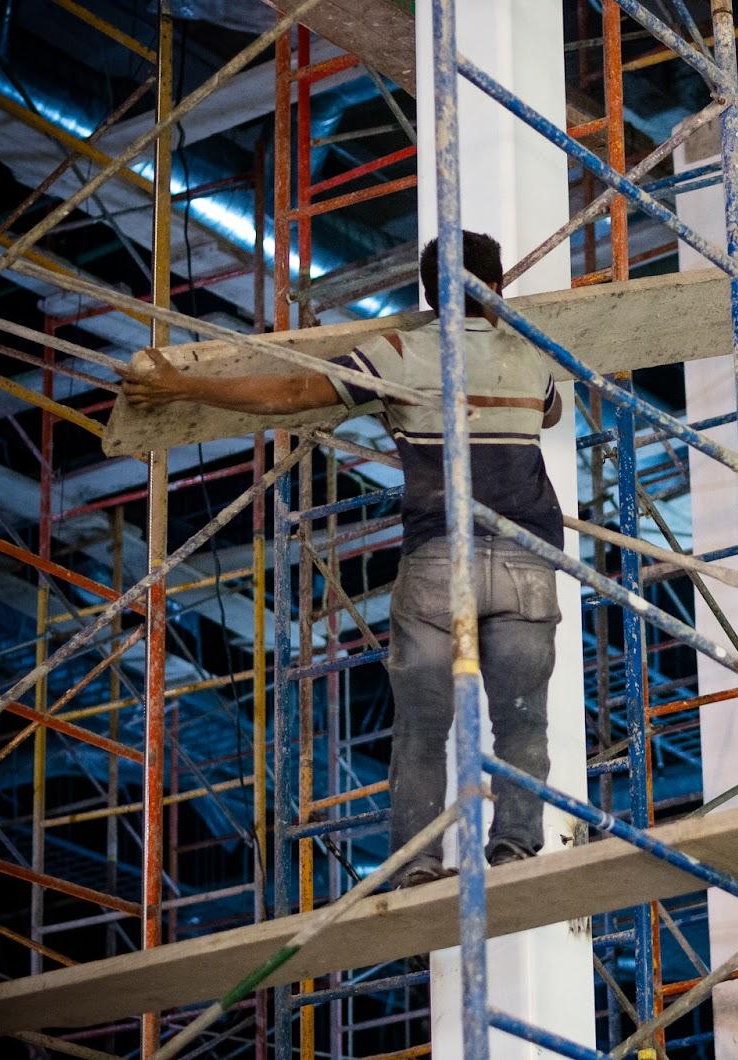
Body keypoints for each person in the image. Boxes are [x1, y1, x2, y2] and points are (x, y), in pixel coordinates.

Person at [118, 232, 564, 887]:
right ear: (496, 288)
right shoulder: (531, 357)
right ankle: (515, 849)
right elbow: (549, 416)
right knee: (522, 723)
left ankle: (415, 864)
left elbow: (290, 396)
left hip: (441, 560)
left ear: (429, 293)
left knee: (421, 728)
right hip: (526, 564)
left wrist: (185, 385)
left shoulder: (401, 352)